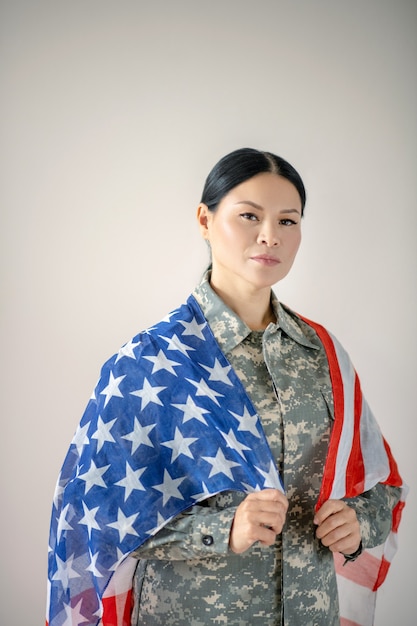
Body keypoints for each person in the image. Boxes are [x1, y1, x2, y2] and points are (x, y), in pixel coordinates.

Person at [47, 148, 406, 626]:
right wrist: (222, 529)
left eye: (288, 221)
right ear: (204, 219)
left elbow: (381, 484)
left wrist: (361, 522)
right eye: (249, 216)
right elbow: (97, 517)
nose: (269, 236)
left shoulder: (323, 353)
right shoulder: (152, 361)